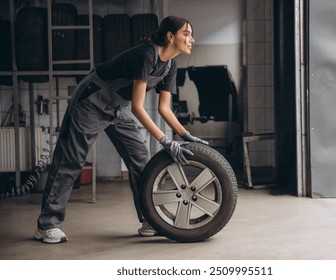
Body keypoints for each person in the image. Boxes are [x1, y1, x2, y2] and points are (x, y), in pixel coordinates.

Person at [33, 16, 208, 244]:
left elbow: (164, 108)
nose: (192, 39)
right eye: (187, 34)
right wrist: (165, 141)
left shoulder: (171, 65)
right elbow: (138, 107)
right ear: (170, 36)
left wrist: (185, 135)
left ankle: (149, 220)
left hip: (119, 106)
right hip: (92, 100)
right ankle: (47, 225)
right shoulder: (147, 55)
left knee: (142, 161)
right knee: (71, 160)